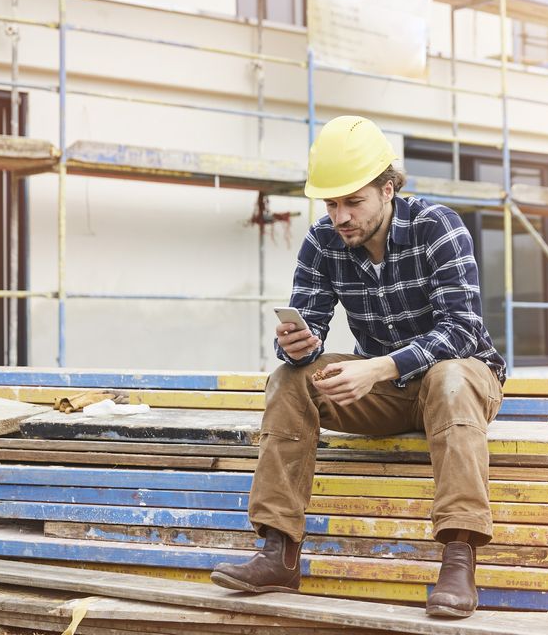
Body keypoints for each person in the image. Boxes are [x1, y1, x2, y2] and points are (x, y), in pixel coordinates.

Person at [210, 115, 506, 618]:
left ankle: (458, 557)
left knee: (449, 375)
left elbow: (463, 331)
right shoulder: (323, 242)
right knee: (288, 380)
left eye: (354, 201)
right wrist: (299, 345)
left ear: (388, 190)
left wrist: (378, 368)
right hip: (386, 392)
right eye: (332, 203)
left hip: (460, 380)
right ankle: (279, 551)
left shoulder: (438, 226)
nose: (341, 216)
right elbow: (307, 337)